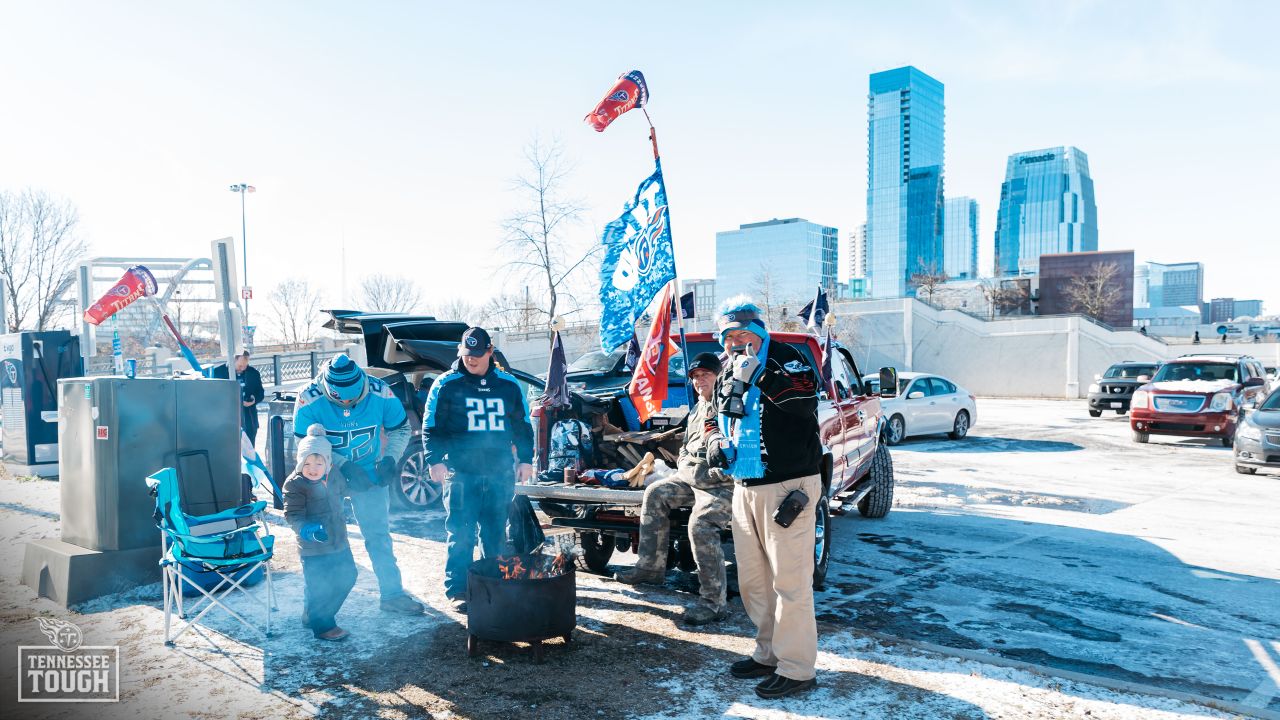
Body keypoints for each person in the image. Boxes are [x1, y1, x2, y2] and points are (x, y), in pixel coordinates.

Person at [712, 296, 821, 700]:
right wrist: (712, 442)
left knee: (791, 583)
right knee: (755, 581)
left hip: (788, 487)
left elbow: (804, 402)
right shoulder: (726, 369)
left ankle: (797, 668)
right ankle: (769, 653)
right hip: (745, 486)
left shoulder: (786, 358)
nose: (737, 343)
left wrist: (760, 376)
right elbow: (714, 414)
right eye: (729, 336)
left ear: (759, 332)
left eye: (744, 334)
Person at [293, 354, 423, 615]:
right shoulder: (309, 398)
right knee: (323, 539)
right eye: (339, 398)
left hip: (370, 473)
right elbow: (303, 445)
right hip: (326, 475)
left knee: (378, 537)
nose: (347, 402)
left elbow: (400, 429)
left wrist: (389, 459)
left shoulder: (381, 392)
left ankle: (392, 595)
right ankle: (316, 608)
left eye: (353, 398)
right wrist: (342, 465)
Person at [614, 352, 735, 626]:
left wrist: (713, 473)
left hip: (721, 485)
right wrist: (682, 464)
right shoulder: (697, 409)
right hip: (691, 478)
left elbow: (733, 455)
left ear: (719, 376)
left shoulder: (728, 407)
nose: (699, 380)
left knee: (701, 526)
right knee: (655, 494)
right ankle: (650, 568)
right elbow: (687, 448)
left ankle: (714, 603)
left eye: (706, 374)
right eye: (695, 377)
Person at [422, 327, 534, 613]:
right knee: (460, 532)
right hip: (461, 473)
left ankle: (490, 585)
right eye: (466, 354)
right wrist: (434, 459)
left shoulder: (508, 385)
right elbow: (430, 425)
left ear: (489, 352)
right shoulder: (446, 384)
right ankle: (458, 589)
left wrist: (525, 459)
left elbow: (522, 426)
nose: (470, 360)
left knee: (495, 532)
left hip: (499, 473)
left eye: (476, 354)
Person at [284, 424, 357, 641]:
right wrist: (307, 530)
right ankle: (323, 625)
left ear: (328, 462)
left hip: (339, 541)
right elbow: (292, 514)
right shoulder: (295, 484)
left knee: (348, 576)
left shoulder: (334, 474)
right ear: (300, 462)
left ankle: (315, 616)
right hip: (313, 547)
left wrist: (362, 484)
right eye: (307, 462)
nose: (313, 468)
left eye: (318, 462)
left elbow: (344, 491)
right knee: (319, 587)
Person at [212, 349, 266, 446]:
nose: (243, 368)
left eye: (245, 366)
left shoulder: (253, 373)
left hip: (248, 418)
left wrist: (254, 400)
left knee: (249, 448)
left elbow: (261, 393)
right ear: (233, 360)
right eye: (240, 365)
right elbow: (212, 396)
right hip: (226, 419)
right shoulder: (218, 373)